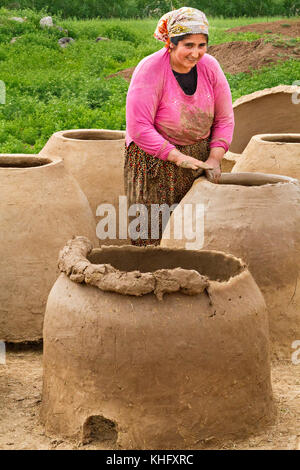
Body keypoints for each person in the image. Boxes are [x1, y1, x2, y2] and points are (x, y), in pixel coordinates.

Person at [124, 6, 234, 246]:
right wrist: (175, 157)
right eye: (188, 45)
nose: (196, 53)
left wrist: (215, 159)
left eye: (201, 45)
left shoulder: (211, 67)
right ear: (171, 44)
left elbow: (224, 118)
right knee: (153, 232)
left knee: (191, 235)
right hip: (153, 160)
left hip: (199, 156)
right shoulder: (150, 69)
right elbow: (138, 126)